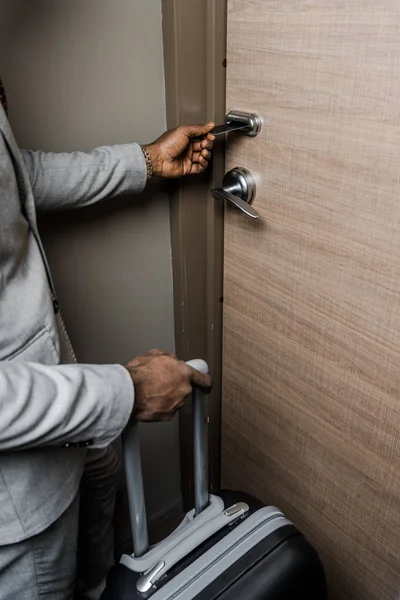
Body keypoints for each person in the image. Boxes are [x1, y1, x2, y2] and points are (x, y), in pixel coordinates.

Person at [0, 78, 214, 600]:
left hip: (68, 413)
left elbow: (13, 180)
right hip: (18, 508)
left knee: (99, 539)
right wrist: (129, 391)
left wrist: (143, 162)